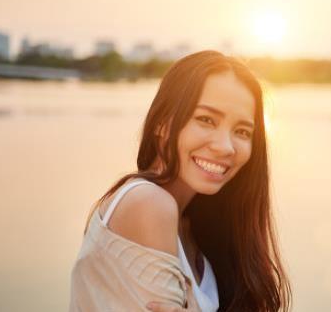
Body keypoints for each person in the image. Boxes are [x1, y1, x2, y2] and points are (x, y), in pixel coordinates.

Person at [69, 51, 292, 312]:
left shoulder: (196, 229)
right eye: (206, 120)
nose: (225, 146)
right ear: (162, 122)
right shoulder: (148, 204)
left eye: (242, 131)